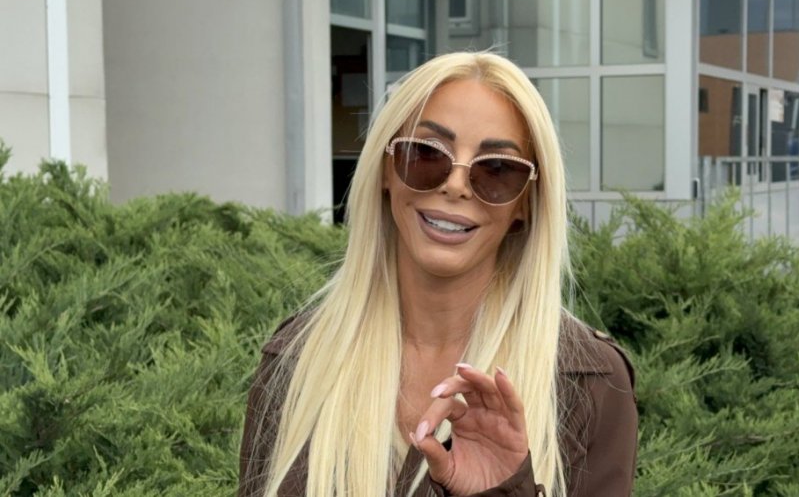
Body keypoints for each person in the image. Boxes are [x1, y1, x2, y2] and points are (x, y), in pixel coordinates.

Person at [238, 51, 638, 497]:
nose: (455, 185)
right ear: (386, 170)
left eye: (498, 170)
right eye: (426, 154)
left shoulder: (590, 381)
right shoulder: (298, 359)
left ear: (525, 203)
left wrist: (504, 489)